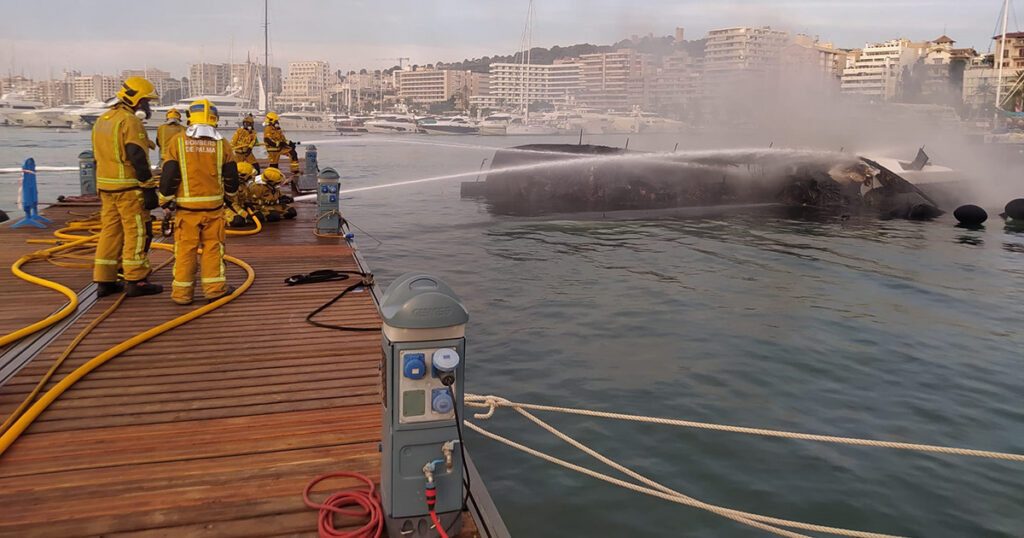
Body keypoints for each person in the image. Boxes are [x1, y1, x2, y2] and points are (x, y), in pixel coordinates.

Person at [159, 99, 239, 305]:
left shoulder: (177, 142)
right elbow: (231, 177)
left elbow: (169, 175)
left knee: (185, 250)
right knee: (213, 248)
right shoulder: (222, 144)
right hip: (213, 209)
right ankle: (214, 289)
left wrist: (165, 201)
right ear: (215, 119)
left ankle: (182, 294)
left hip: (186, 211)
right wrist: (230, 197)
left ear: (189, 118)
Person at [91, 76, 163, 297]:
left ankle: (105, 279)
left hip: (106, 187)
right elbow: (137, 156)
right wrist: (149, 188)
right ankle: (136, 279)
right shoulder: (130, 122)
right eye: (147, 102)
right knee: (137, 232)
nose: (148, 107)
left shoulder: (103, 119)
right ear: (138, 101)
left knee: (110, 232)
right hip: (128, 189)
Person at [224, 161, 256, 228]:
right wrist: (246, 215)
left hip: (235, 208)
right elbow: (233, 205)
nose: (251, 178)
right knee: (238, 221)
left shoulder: (242, 185)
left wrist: (247, 203)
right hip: (224, 209)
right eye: (250, 176)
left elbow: (243, 197)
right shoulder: (233, 186)